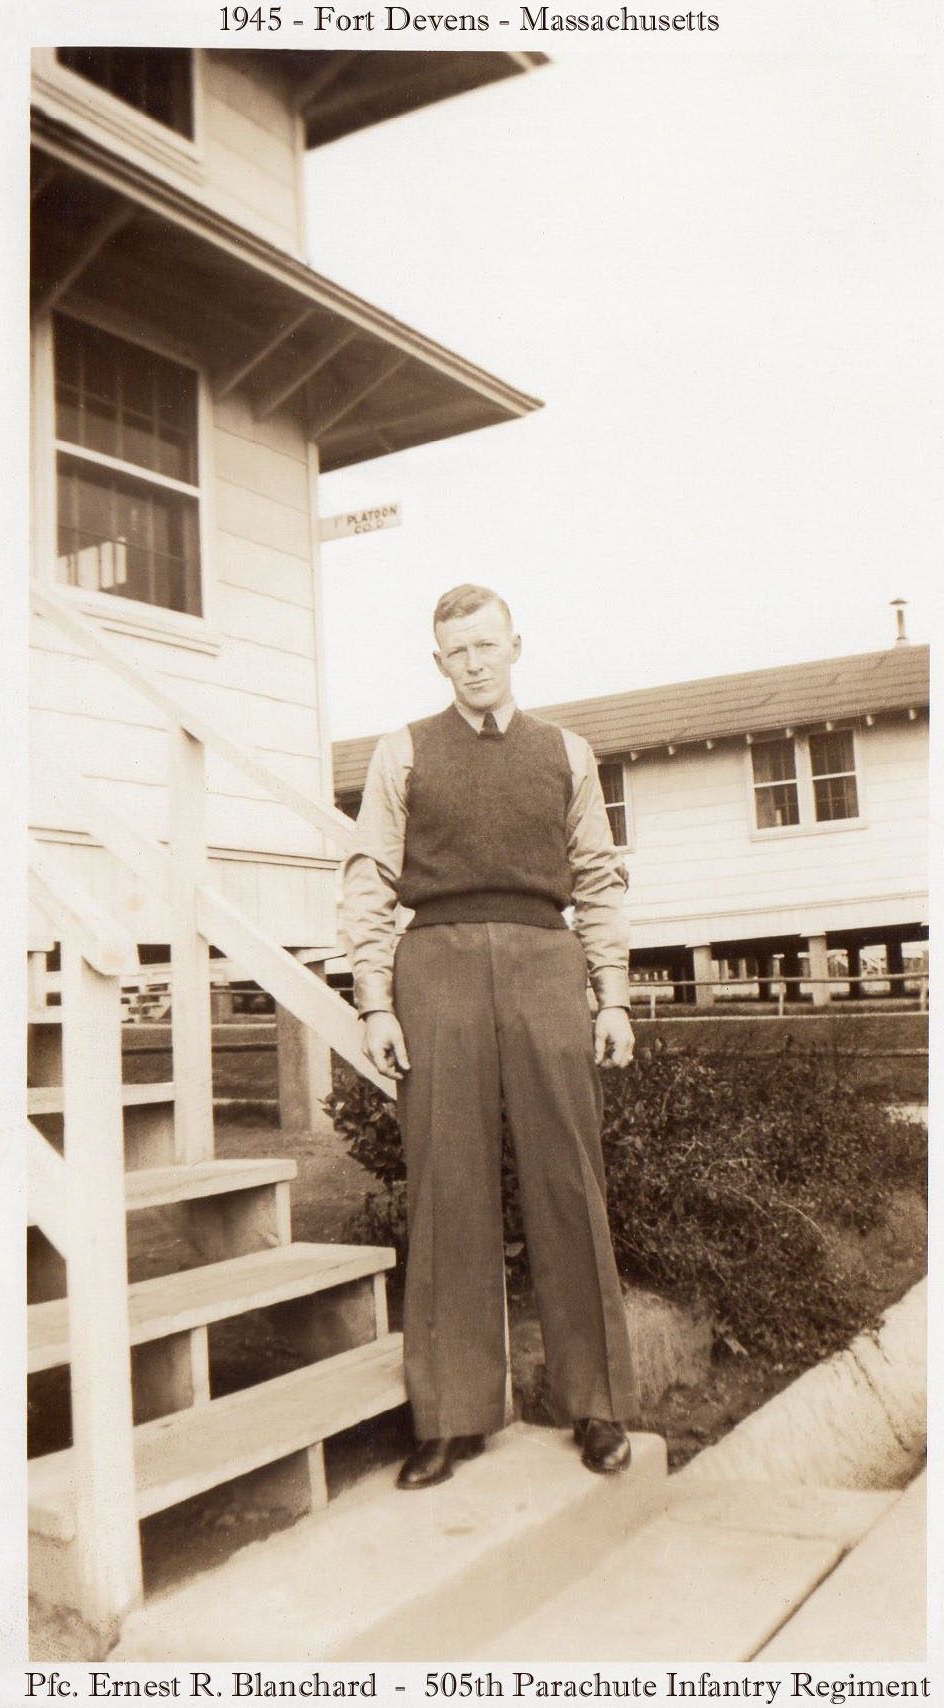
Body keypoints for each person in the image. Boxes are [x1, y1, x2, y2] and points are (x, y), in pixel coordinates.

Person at [339, 584, 639, 1490]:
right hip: (435, 967)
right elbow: (368, 876)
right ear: (439, 662)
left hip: (547, 963)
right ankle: (452, 1416)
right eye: (455, 651)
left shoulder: (566, 753)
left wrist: (613, 997)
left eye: (487, 645)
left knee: (567, 1175)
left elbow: (597, 874)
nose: (473, 663)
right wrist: (375, 1001)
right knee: (447, 1182)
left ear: (516, 646)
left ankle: (596, 1406)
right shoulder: (404, 752)